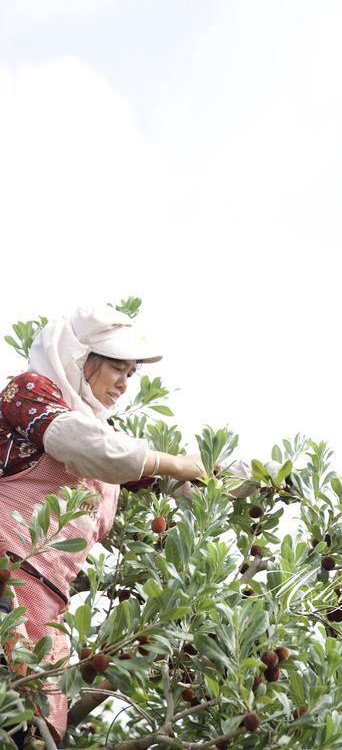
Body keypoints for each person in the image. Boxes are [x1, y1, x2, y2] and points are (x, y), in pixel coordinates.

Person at [0, 305, 206, 743]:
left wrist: (254, 478)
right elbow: (80, 444)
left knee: (27, 732)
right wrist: (173, 462)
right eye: (116, 368)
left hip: (43, 609)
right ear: (79, 358)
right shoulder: (29, 393)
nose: (124, 384)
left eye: (130, 373)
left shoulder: (109, 438)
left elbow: (181, 482)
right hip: (4, 579)